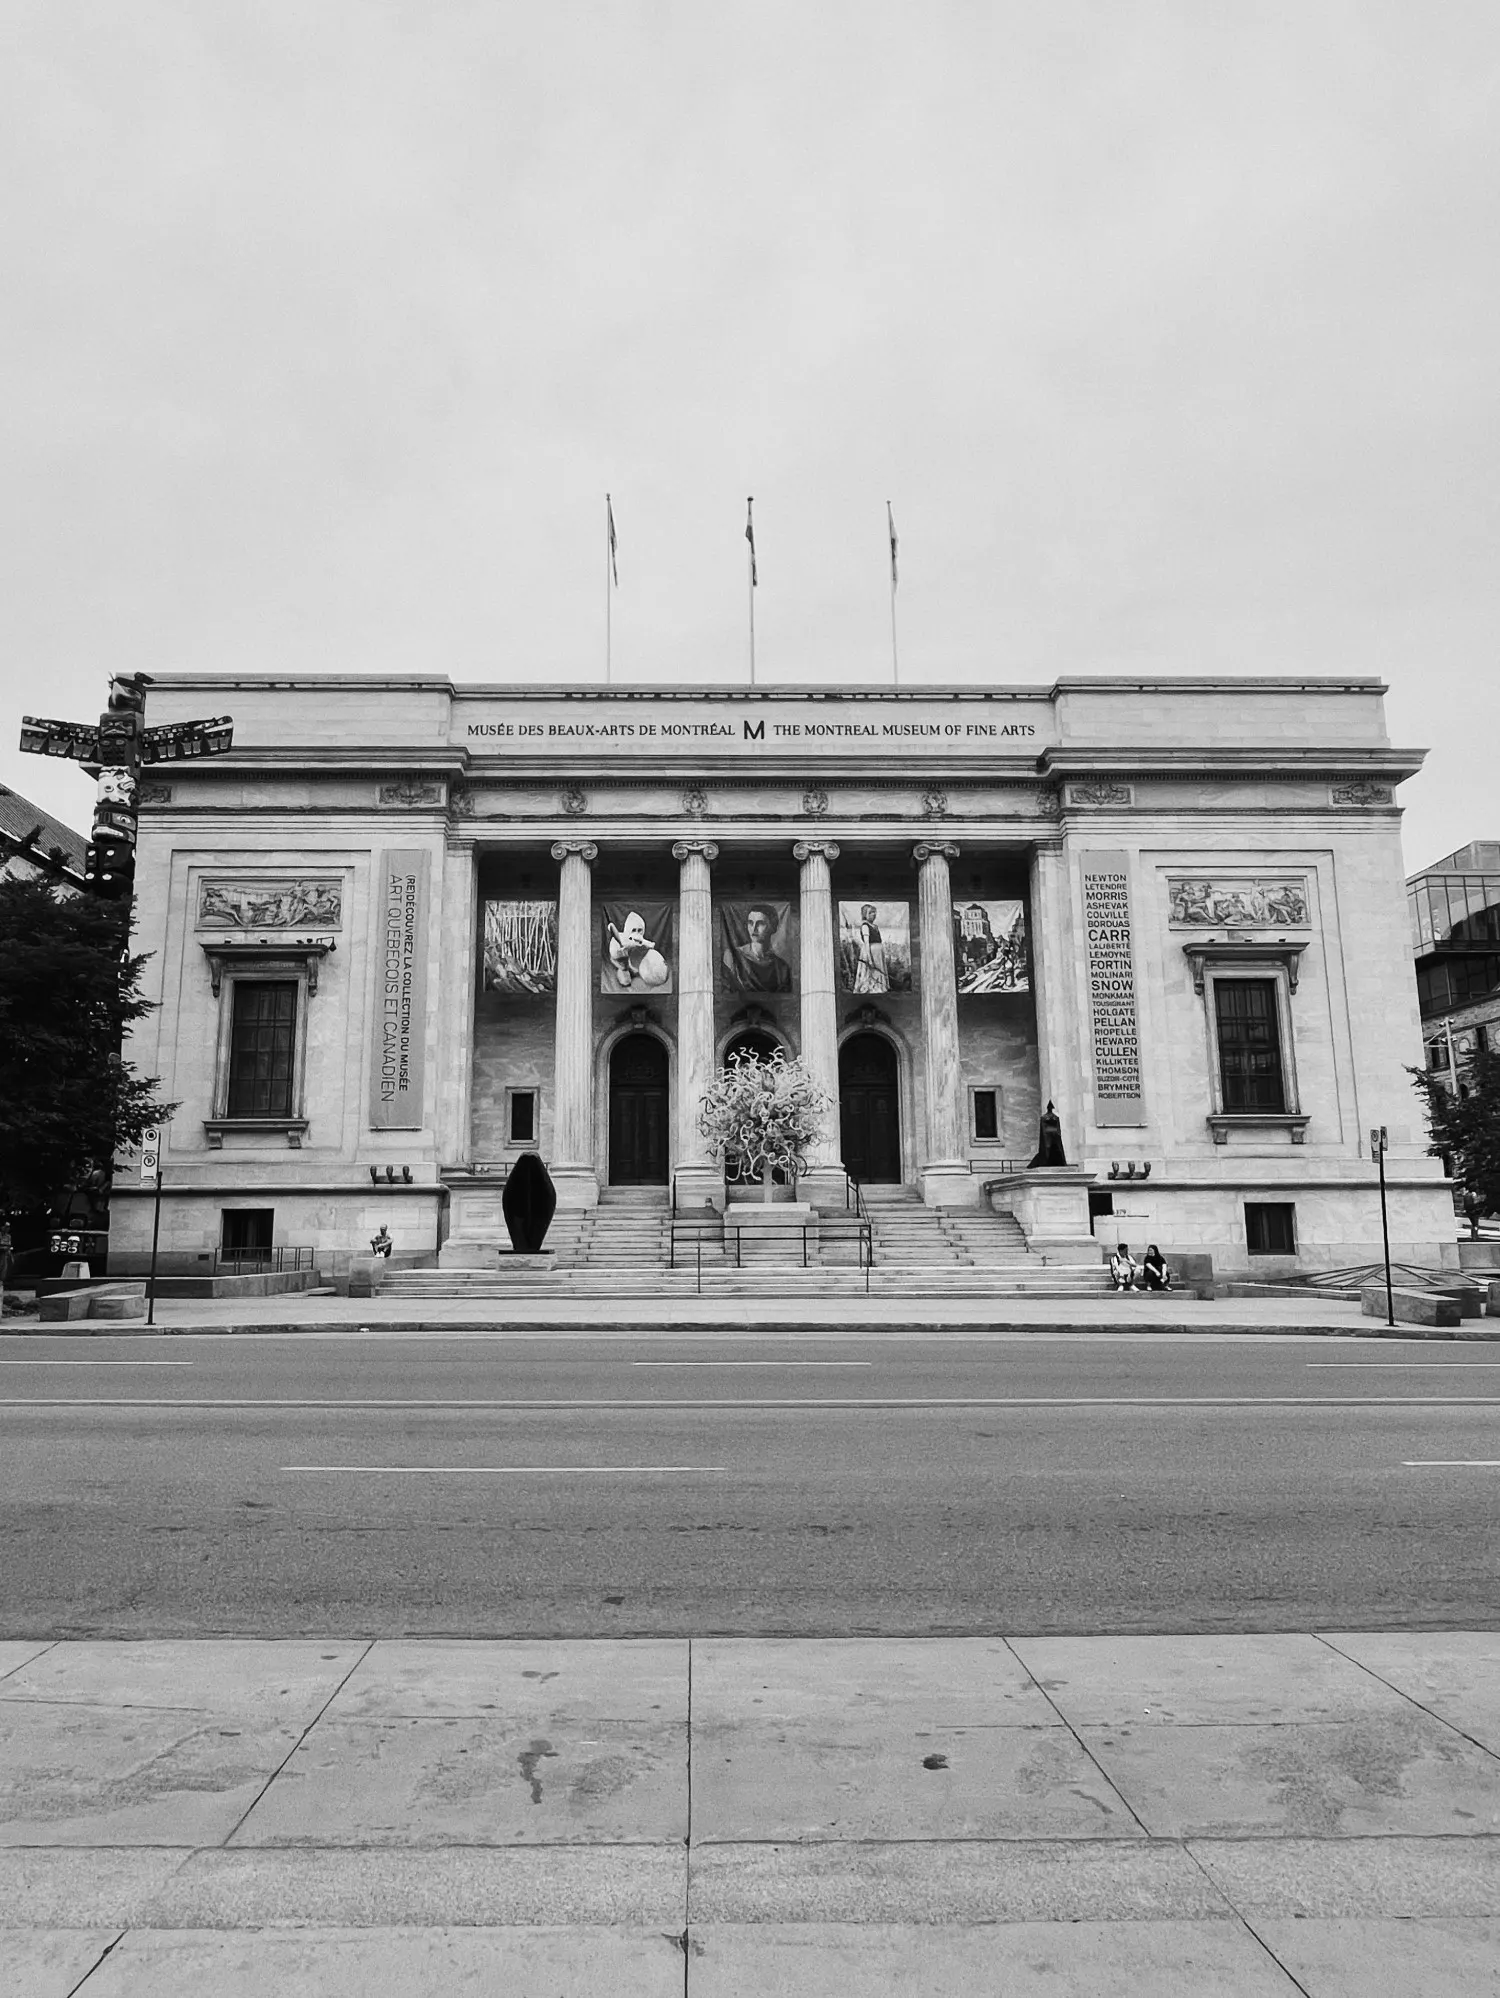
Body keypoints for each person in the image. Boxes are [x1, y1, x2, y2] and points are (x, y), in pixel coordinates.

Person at [722, 904, 792, 992]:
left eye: (760, 923)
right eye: (750, 923)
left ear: (773, 927)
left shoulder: (782, 968)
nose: (754, 928)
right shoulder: (732, 957)